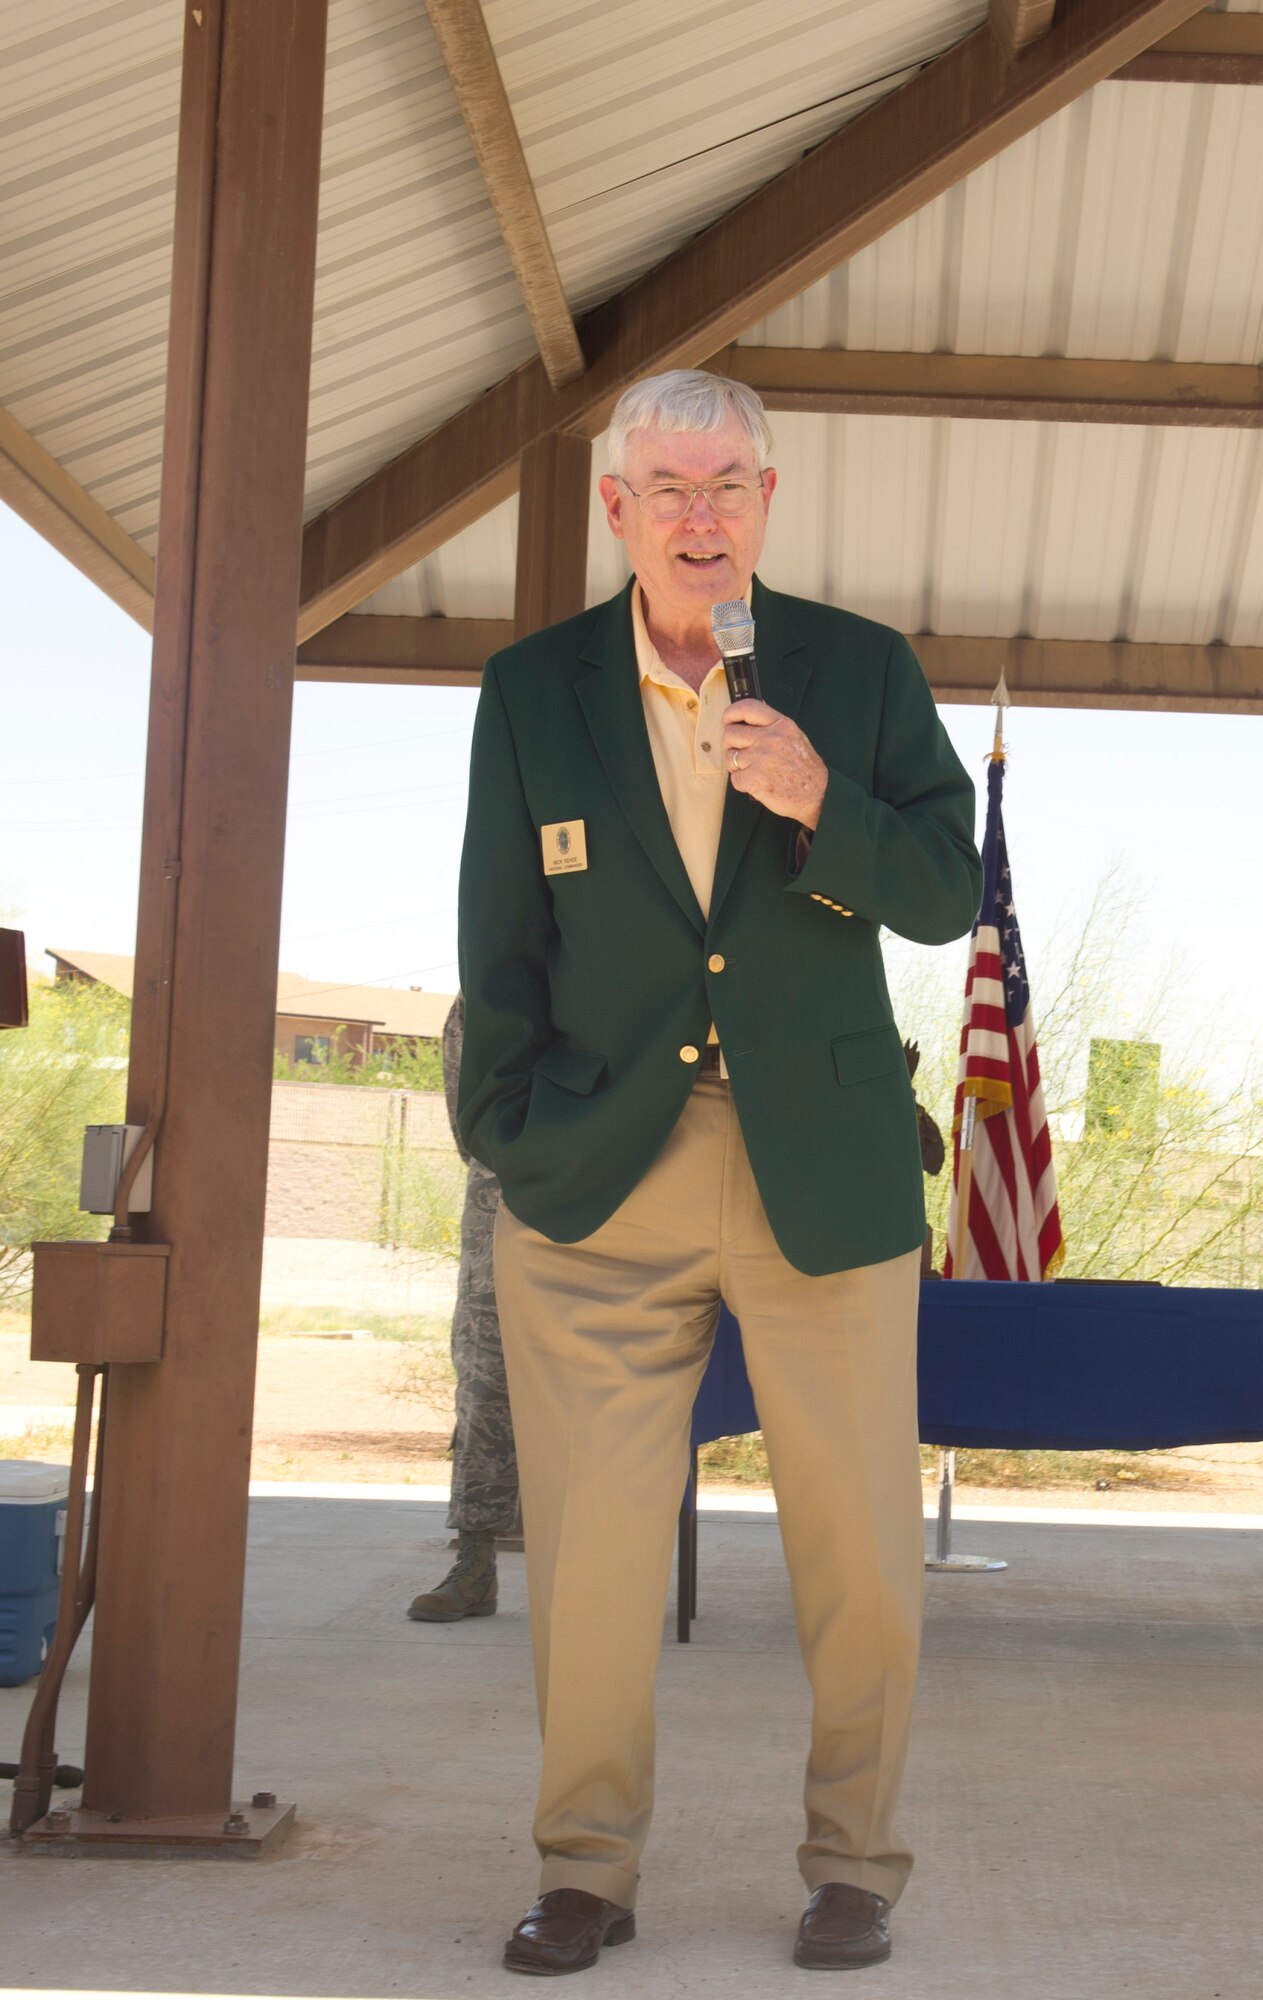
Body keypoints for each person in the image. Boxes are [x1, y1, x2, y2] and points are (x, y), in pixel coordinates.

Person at [457, 369, 981, 1976]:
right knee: (596, 1562)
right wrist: (514, 1139)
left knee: (862, 1562)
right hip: (603, 1176)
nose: (702, 516)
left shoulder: (859, 672)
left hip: (820, 1167)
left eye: (730, 486)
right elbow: (499, 935)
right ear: (616, 509)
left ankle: (854, 1868)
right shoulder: (533, 689)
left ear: (770, 504)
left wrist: (825, 801)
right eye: (669, 487)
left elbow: (951, 889)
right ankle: (588, 1871)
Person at [407, 994, 518, 1621]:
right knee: (484, 1380)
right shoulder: (484, 990)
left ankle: (614, 1572)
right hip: (505, 1193)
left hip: (619, 1185)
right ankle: (475, 1563)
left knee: (618, 1386)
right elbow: (466, 1112)